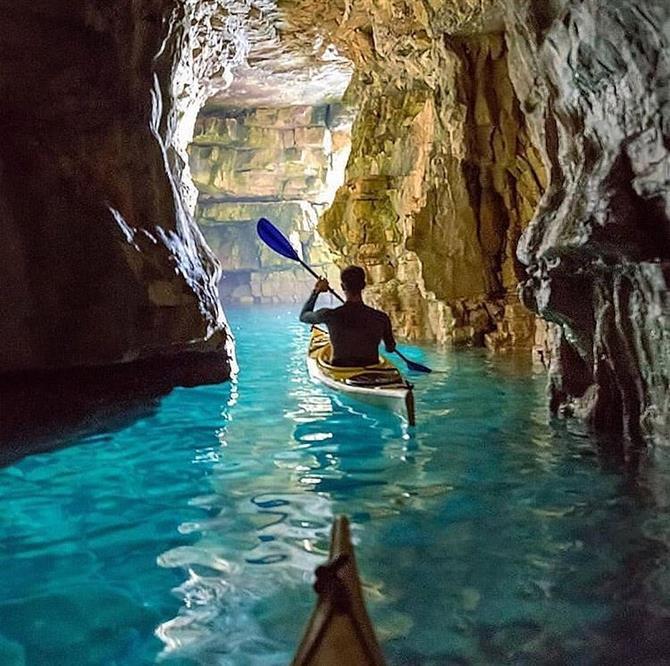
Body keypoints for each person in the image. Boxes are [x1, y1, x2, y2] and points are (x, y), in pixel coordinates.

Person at [300, 265, 396, 367]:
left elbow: (303, 316)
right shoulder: (381, 318)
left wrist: (316, 291)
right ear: (363, 285)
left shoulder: (330, 315)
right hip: (372, 369)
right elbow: (390, 349)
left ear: (342, 286)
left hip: (339, 368)